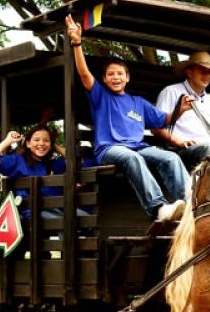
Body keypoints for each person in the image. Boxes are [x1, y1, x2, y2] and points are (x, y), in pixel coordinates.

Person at [65, 14, 192, 222]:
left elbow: (164, 121)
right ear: (105, 79)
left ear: (127, 77)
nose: (116, 77)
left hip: (139, 146)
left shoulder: (139, 102)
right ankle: (158, 208)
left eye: (120, 74)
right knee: (132, 157)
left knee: (171, 158)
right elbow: (84, 74)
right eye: (111, 74)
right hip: (109, 149)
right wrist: (77, 43)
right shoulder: (100, 95)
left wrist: (181, 110)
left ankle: (191, 201)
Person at [0, 125, 85, 220]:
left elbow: (75, 160)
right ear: (28, 143)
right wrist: (7, 141)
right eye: (36, 140)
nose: (41, 143)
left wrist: (53, 145)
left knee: (85, 218)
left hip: (55, 207)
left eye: (46, 140)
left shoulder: (49, 163)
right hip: (33, 210)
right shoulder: (18, 160)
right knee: (66, 222)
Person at [154, 51, 210, 170]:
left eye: (209, 72)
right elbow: (156, 127)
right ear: (189, 72)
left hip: (209, 151)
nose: (206, 75)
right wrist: (179, 142)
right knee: (207, 150)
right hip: (180, 151)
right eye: (202, 71)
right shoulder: (171, 92)